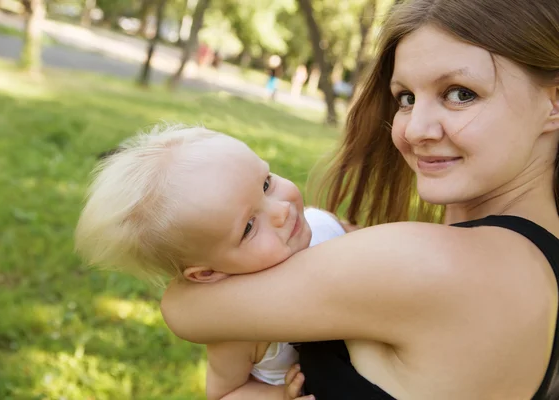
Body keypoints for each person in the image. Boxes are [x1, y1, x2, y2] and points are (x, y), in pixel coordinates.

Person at [159, 0, 559, 399]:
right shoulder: (538, 264)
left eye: (460, 93)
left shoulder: (431, 262)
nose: (414, 128)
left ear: (554, 102)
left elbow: (185, 306)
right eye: (406, 98)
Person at [74, 125, 355, 399]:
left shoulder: (322, 224)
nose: (282, 210)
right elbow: (225, 392)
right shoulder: (240, 325)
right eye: (248, 227)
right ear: (207, 273)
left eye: (266, 184)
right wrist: (279, 395)